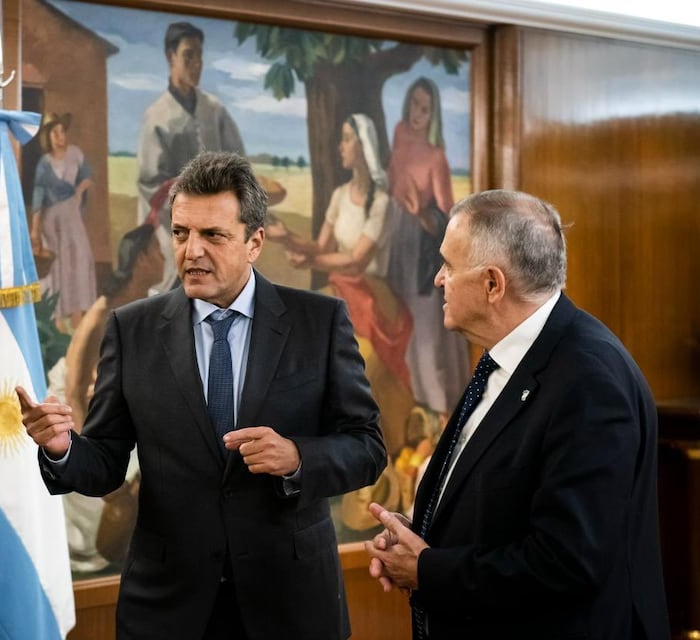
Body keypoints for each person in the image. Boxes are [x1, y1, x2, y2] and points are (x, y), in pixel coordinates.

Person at [19, 151, 386, 639]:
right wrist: (63, 449)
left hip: (290, 604)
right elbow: (106, 459)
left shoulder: (319, 323)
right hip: (168, 608)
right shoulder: (132, 330)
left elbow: (367, 446)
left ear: (254, 242)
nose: (191, 251)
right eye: (180, 232)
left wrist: (299, 456)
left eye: (213, 235)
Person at [365, 189, 669, 639]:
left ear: (492, 284)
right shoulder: (508, 356)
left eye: (448, 265)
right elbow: (505, 502)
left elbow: (567, 560)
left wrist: (429, 569)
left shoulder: (589, 382)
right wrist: (425, 538)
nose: (437, 279)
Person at [269, 113, 414, 457]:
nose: (341, 146)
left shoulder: (382, 203)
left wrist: (309, 260)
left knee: (361, 363)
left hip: (374, 295)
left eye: (348, 138)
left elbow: (356, 262)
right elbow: (322, 249)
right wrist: (285, 237)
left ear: (364, 146)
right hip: (342, 292)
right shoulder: (338, 195)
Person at [48, 223, 165, 572]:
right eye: (159, 253)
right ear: (142, 258)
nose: (165, 260)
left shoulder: (150, 306)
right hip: (80, 413)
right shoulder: (101, 313)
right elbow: (73, 391)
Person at [137, 21, 246, 292]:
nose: (196, 63)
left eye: (199, 55)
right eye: (188, 55)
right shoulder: (157, 116)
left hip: (218, 221)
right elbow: (152, 183)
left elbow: (239, 163)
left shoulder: (214, 110)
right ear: (170, 56)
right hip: (171, 222)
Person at [386, 76, 470, 418]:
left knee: (426, 335)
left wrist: (420, 212)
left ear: (433, 113)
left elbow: (449, 218)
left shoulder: (436, 157)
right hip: (396, 240)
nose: (416, 113)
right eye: (413, 104)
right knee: (400, 326)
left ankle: (438, 416)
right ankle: (411, 411)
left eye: (425, 108)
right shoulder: (399, 134)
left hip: (421, 249)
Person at [31, 111, 96, 332]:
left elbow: (88, 175)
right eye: (54, 133)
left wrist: (78, 192)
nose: (59, 137)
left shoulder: (75, 154)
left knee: (79, 259)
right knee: (58, 266)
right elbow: (38, 197)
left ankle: (78, 317)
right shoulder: (44, 163)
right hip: (52, 222)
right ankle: (58, 321)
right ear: (47, 137)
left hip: (72, 216)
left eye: (62, 132)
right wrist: (35, 229)